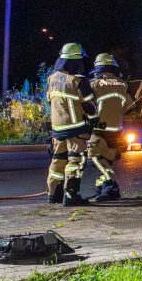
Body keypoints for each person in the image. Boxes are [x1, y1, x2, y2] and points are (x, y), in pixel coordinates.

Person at [46, 42, 96, 206]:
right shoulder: (78, 81)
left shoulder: (51, 78)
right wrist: (94, 119)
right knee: (76, 161)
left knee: (57, 161)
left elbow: (50, 101)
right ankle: (71, 196)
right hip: (76, 129)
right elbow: (89, 105)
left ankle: (53, 195)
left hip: (57, 130)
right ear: (76, 61)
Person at [85, 53, 133, 201]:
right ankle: (102, 189)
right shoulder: (123, 84)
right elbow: (129, 106)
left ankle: (111, 186)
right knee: (106, 161)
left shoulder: (94, 84)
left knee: (95, 159)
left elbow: (87, 106)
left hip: (99, 128)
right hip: (116, 130)